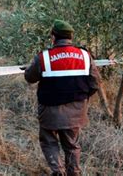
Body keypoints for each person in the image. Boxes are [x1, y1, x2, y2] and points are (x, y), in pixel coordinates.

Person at [24, 20, 100, 176]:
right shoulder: (85, 56)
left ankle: (58, 172)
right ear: (71, 37)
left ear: (53, 36)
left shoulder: (44, 57)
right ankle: (74, 173)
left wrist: (29, 68)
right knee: (72, 145)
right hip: (76, 111)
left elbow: (30, 78)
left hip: (49, 112)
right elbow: (95, 83)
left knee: (49, 142)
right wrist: (82, 99)